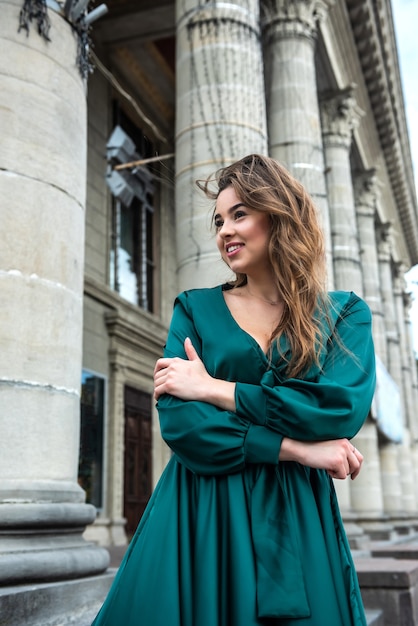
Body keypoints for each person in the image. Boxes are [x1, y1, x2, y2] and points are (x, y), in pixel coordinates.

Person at [92, 154, 376, 626]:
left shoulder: (344, 314)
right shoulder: (194, 310)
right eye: (219, 220)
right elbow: (184, 425)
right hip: (202, 508)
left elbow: (336, 413)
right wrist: (297, 450)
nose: (225, 230)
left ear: (279, 215)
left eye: (240, 214)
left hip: (297, 517)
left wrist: (216, 389)